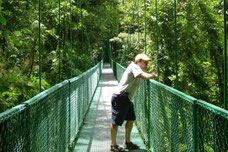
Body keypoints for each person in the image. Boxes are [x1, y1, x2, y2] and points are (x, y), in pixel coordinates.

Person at [110, 54, 158, 152]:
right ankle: (113, 145)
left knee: (131, 119)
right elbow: (144, 77)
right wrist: (153, 75)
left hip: (127, 99)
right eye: (145, 61)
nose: (147, 63)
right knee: (116, 122)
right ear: (138, 61)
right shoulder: (134, 67)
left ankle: (127, 142)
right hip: (120, 97)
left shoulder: (138, 69)